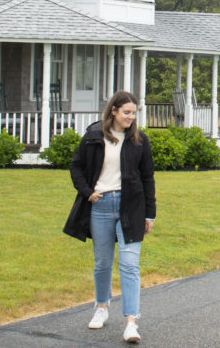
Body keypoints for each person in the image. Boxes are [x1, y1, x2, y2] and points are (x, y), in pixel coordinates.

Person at [64, 90, 155, 344]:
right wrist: (87, 192)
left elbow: (148, 178)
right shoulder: (94, 136)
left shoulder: (139, 140)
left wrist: (150, 214)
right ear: (113, 111)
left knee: (129, 265)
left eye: (134, 113)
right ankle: (101, 308)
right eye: (126, 112)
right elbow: (76, 166)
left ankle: (131, 323)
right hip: (101, 206)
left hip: (131, 208)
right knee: (102, 263)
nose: (131, 117)